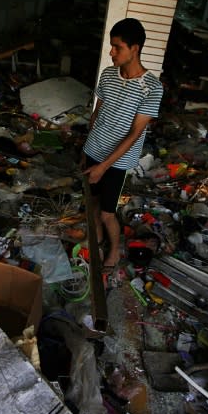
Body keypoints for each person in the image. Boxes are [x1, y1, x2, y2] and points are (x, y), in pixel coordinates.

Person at [82, 18, 164, 268]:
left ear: (134, 48)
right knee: (92, 204)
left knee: (107, 213)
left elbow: (134, 134)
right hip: (94, 151)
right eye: (111, 46)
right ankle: (95, 244)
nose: (111, 52)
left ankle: (114, 250)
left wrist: (103, 166)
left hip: (116, 163)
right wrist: (86, 150)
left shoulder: (151, 88)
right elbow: (97, 112)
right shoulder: (108, 75)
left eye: (117, 47)